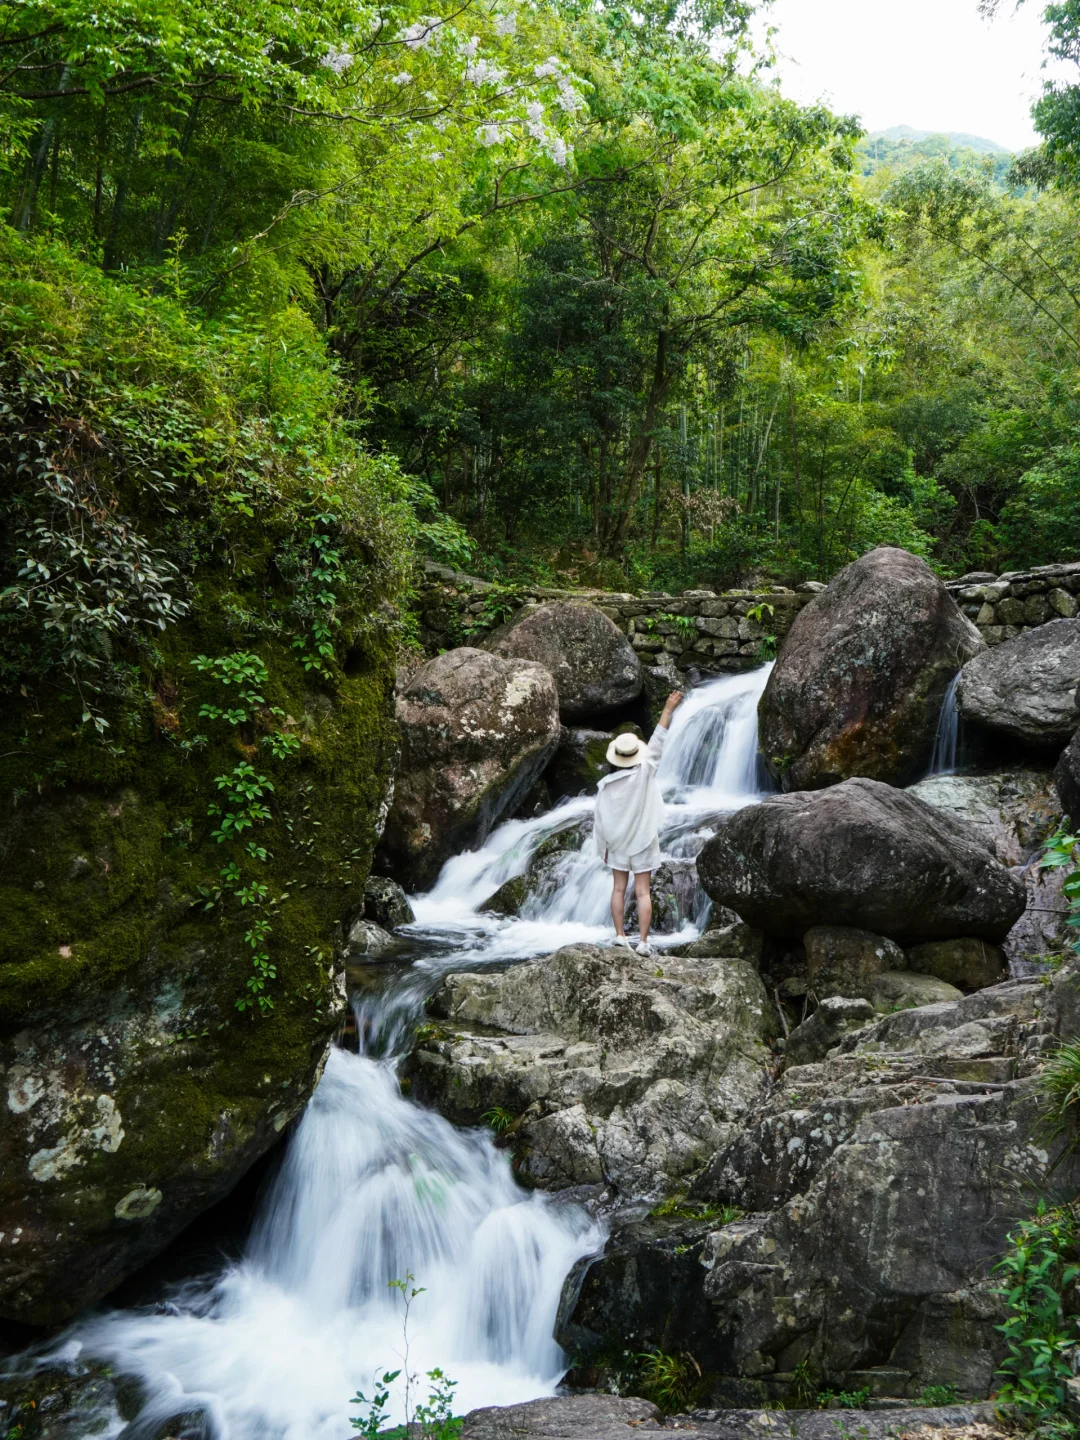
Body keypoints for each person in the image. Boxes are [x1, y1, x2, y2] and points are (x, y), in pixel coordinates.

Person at [593, 691, 683, 957]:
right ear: (635, 754)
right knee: (643, 892)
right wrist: (668, 709)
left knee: (618, 888)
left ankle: (620, 936)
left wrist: (605, 845)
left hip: (617, 841)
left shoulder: (606, 786)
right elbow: (658, 741)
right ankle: (643, 943)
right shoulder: (645, 774)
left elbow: (601, 818)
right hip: (643, 839)